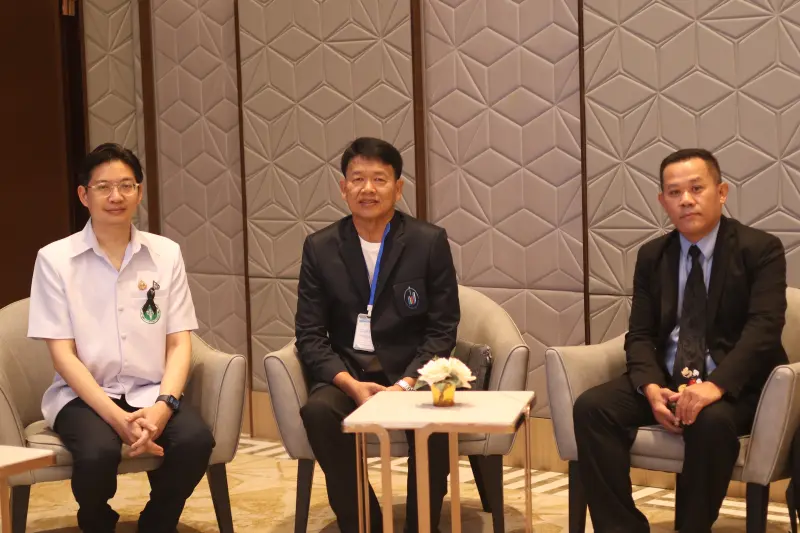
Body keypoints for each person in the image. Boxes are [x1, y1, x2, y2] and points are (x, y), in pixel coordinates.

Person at [572, 148, 788, 533]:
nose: (686, 200)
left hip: (735, 386)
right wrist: (650, 387)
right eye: (674, 192)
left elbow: (764, 329)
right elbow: (639, 334)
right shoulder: (653, 255)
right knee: (592, 408)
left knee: (709, 422)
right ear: (663, 201)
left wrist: (714, 386)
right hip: (670, 378)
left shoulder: (760, 249)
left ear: (721, 192)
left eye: (696, 188)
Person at [28, 143, 215, 533]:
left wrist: (164, 406)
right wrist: (117, 419)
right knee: (97, 453)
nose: (116, 196)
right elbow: (63, 355)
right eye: (103, 187)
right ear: (84, 195)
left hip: (150, 391)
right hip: (83, 397)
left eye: (126, 186)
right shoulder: (55, 260)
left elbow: (179, 342)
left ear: (139, 192)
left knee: (195, 441)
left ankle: (157, 522)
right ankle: (96, 520)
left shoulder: (166, 254)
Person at [296, 137, 460, 533]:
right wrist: (349, 383)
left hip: (412, 372)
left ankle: (422, 527)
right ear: (343, 187)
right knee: (318, 411)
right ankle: (364, 523)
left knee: (438, 417)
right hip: (349, 372)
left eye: (379, 179)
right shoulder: (320, 247)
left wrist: (405, 384)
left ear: (398, 188)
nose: (367, 189)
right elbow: (309, 334)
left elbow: (442, 328)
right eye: (357, 179)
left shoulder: (428, 241)